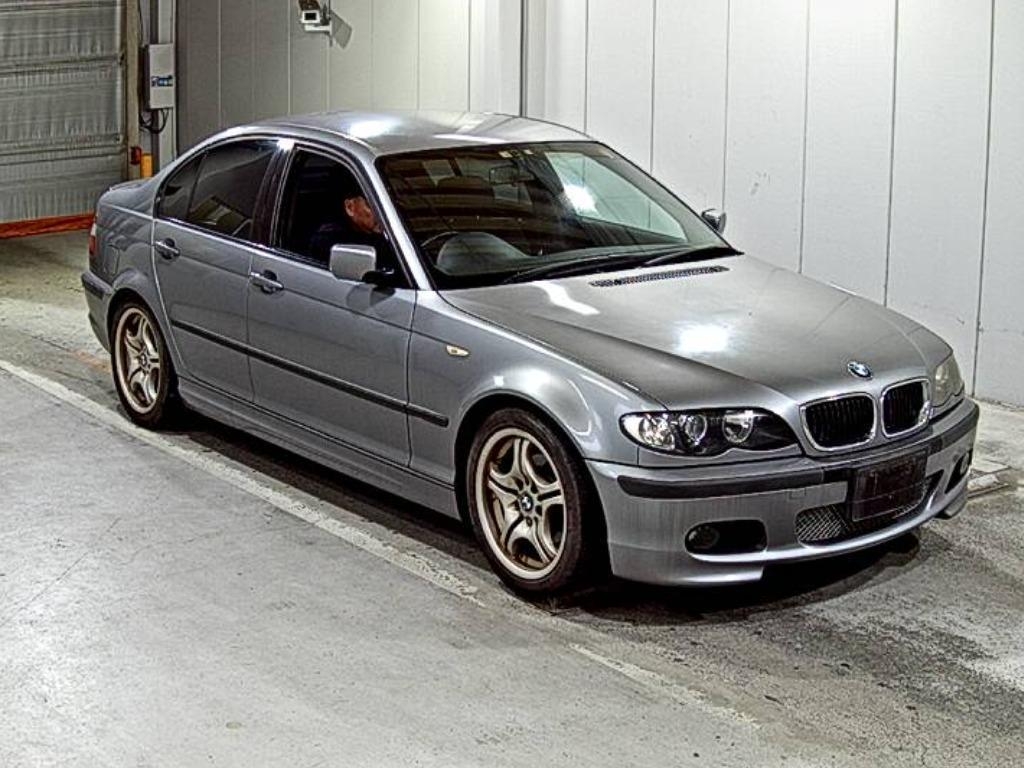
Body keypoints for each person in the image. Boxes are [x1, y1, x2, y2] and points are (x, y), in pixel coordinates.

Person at [309, 193, 394, 270]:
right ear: (350, 207)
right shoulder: (329, 239)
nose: (382, 213)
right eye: (372, 205)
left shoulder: (391, 234)